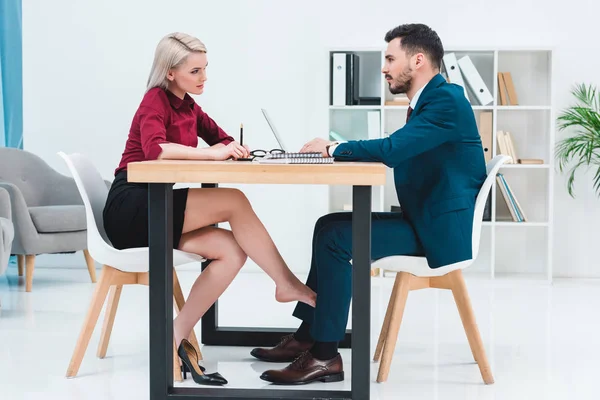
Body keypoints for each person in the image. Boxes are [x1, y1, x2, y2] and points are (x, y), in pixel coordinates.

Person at [251, 23, 487, 385]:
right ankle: (309, 334)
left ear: (418, 60)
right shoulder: (431, 101)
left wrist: (332, 148)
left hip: (438, 233)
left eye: (391, 58)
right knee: (328, 225)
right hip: (426, 221)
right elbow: (398, 146)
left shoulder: (446, 100)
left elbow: (393, 150)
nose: (385, 67)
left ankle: (325, 357)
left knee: (337, 238)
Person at [102, 32, 316, 386]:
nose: (203, 78)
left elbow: (221, 137)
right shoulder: (155, 100)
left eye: (205, 69)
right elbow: (155, 149)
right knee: (233, 201)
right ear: (170, 72)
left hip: (156, 206)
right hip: (132, 208)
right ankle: (286, 283)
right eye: (195, 71)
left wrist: (234, 148)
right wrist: (213, 153)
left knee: (231, 251)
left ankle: (173, 336)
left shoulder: (188, 105)